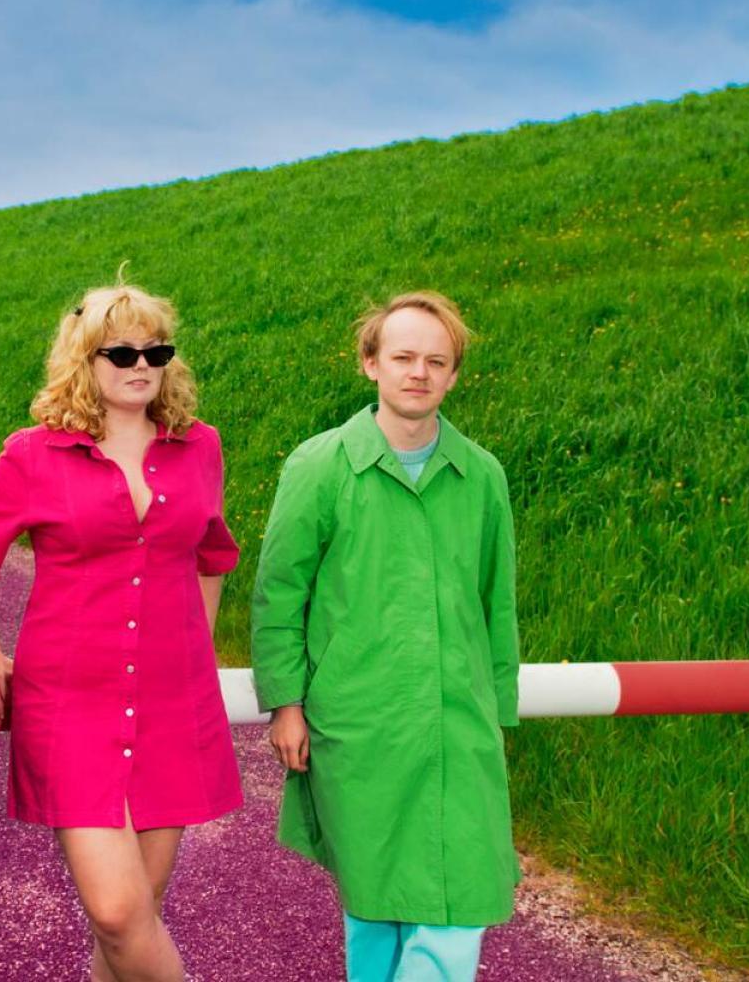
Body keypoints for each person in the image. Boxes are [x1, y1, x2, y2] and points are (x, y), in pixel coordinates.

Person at [0, 281, 242, 982]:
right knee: (115, 912)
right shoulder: (33, 454)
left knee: (139, 916)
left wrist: (195, 652)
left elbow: (214, 556)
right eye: (122, 353)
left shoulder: (200, 447)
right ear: (85, 358)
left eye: (156, 352)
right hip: (69, 703)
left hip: (174, 704)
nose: (142, 366)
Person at [250, 291, 520, 982]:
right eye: (403, 357)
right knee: (373, 907)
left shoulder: (482, 475)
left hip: (460, 728)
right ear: (370, 363)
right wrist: (285, 704)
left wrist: (497, 716)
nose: (418, 373)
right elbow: (280, 595)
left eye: (437, 361)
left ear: (454, 375)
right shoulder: (318, 466)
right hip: (358, 726)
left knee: (462, 899)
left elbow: (497, 605)